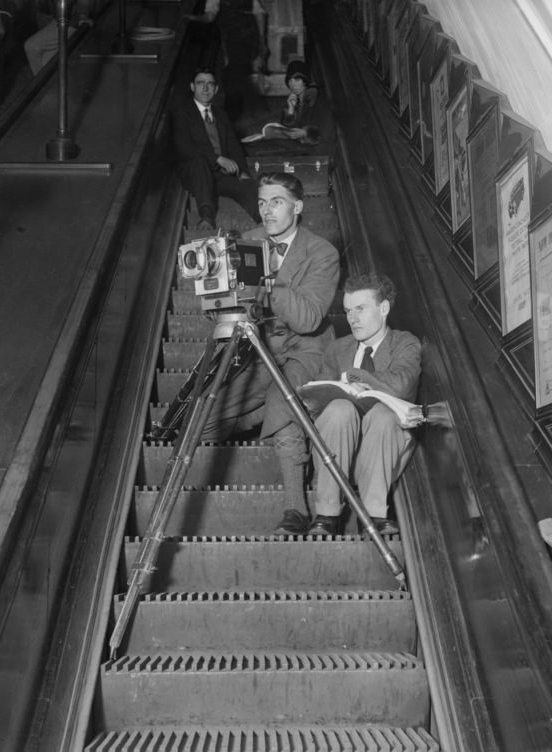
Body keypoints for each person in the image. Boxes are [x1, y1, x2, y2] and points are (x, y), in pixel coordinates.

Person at [200, 172, 341, 533]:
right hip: (259, 349)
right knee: (204, 422)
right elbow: (228, 313)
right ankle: (259, 413)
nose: (267, 212)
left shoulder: (322, 253)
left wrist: (267, 276)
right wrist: (214, 293)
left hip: (305, 350)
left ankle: (296, 508)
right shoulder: (247, 241)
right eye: (262, 203)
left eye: (276, 202)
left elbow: (308, 318)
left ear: (297, 206)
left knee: (283, 397)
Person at [305, 272, 422, 536]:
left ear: (384, 308)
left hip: (383, 452)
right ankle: (327, 514)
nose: (352, 319)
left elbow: (401, 384)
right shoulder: (338, 349)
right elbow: (317, 402)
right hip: (338, 451)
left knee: (383, 414)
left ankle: (374, 515)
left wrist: (355, 377)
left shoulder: (404, 343)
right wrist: (340, 391)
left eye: (360, 309)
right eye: (347, 311)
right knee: (338, 409)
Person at [170, 67, 260, 230]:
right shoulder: (182, 113)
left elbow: (234, 147)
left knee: (247, 185)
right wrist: (217, 158)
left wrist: (243, 172)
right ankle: (206, 217)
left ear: (216, 89)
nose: (205, 88)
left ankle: (263, 222)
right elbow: (184, 148)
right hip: (196, 175)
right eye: (200, 83)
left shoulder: (221, 115)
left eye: (210, 84)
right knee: (198, 162)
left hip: (220, 176)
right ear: (192, 87)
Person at [24, 0, 93, 76]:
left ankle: (41, 83)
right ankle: (46, 83)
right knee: (46, 61)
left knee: (31, 46)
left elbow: (83, 7)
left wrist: (81, 16)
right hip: (63, 17)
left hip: (72, 20)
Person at [278, 59, 320, 144]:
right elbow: (288, 131)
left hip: (318, 150)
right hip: (299, 147)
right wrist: (291, 109)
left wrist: (305, 132)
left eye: (297, 80)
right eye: (290, 80)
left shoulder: (317, 100)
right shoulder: (292, 100)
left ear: (305, 81)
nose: (293, 85)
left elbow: (327, 131)